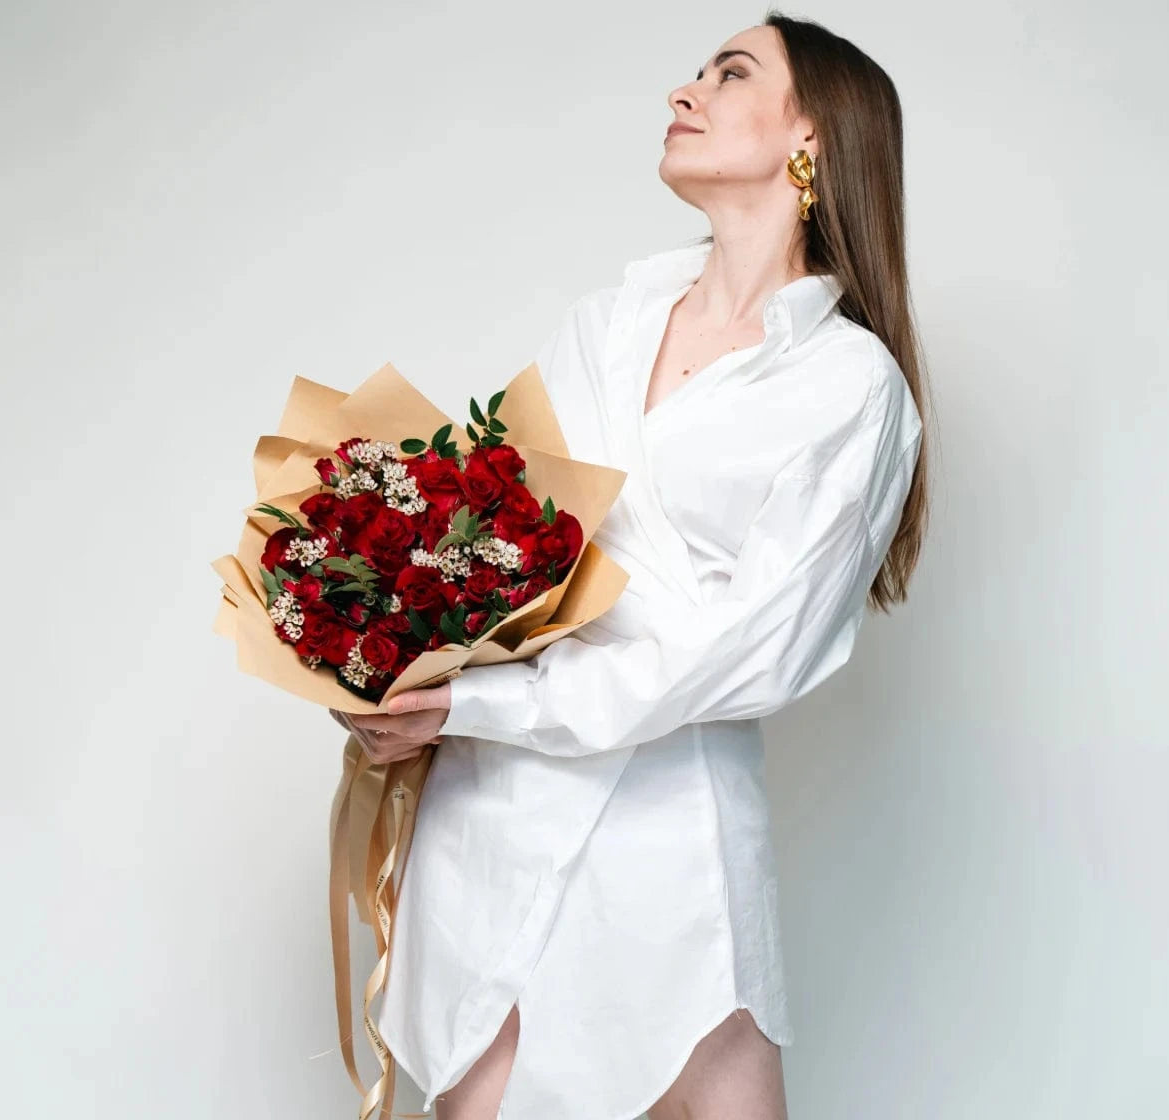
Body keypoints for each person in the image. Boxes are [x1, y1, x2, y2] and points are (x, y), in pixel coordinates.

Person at [332, 12, 931, 1119]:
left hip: (665, 842)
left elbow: (732, 657)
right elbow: (504, 558)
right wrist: (377, 639)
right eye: (695, 69)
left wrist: (470, 703)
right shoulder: (601, 325)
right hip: (490, 817)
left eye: (730, 72)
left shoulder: (849, 390)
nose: (684, 91)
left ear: (813, 135)